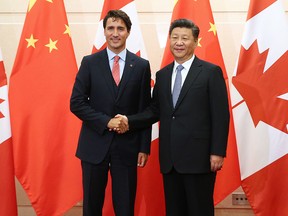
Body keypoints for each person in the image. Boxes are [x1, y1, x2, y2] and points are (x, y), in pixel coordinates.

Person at [115, 19, 230, 216]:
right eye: (174, 37)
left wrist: (218, 152)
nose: (179, 42)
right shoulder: (163, 75)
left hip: (199, 158)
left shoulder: (211, 72)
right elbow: (154, 110)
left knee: (199, 210)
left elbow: (221, 115)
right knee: (174, 211)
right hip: (170, 160)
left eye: (185, 38)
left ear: (195, 41)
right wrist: (129, 120)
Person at [70, 10, 152, 216]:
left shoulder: (141, 66)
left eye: (120, 29)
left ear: (128, 32)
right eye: (111, 28)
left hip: (127, 147)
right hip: (93, 145)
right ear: (105, 32)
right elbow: (77, 103)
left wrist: (144, 147)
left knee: (125, 207)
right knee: (91, 206)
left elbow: (145, 109)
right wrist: (107, 122)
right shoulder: (89, 63)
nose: (115, 33)